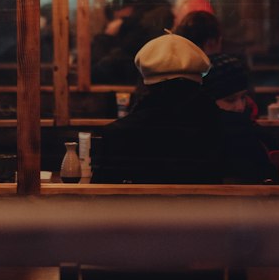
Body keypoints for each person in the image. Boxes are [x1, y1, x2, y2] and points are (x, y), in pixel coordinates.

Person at [94, 33, 226, 184]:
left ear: (147, 85)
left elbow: (98, 201)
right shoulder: (231, 127)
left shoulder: (118, 134)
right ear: (198, 83)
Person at [201, 54, 275, 184]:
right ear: (208, 101)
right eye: (230, 100)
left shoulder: (250, 128)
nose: (240, 106)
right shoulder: (224, 134)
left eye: (243, 98)